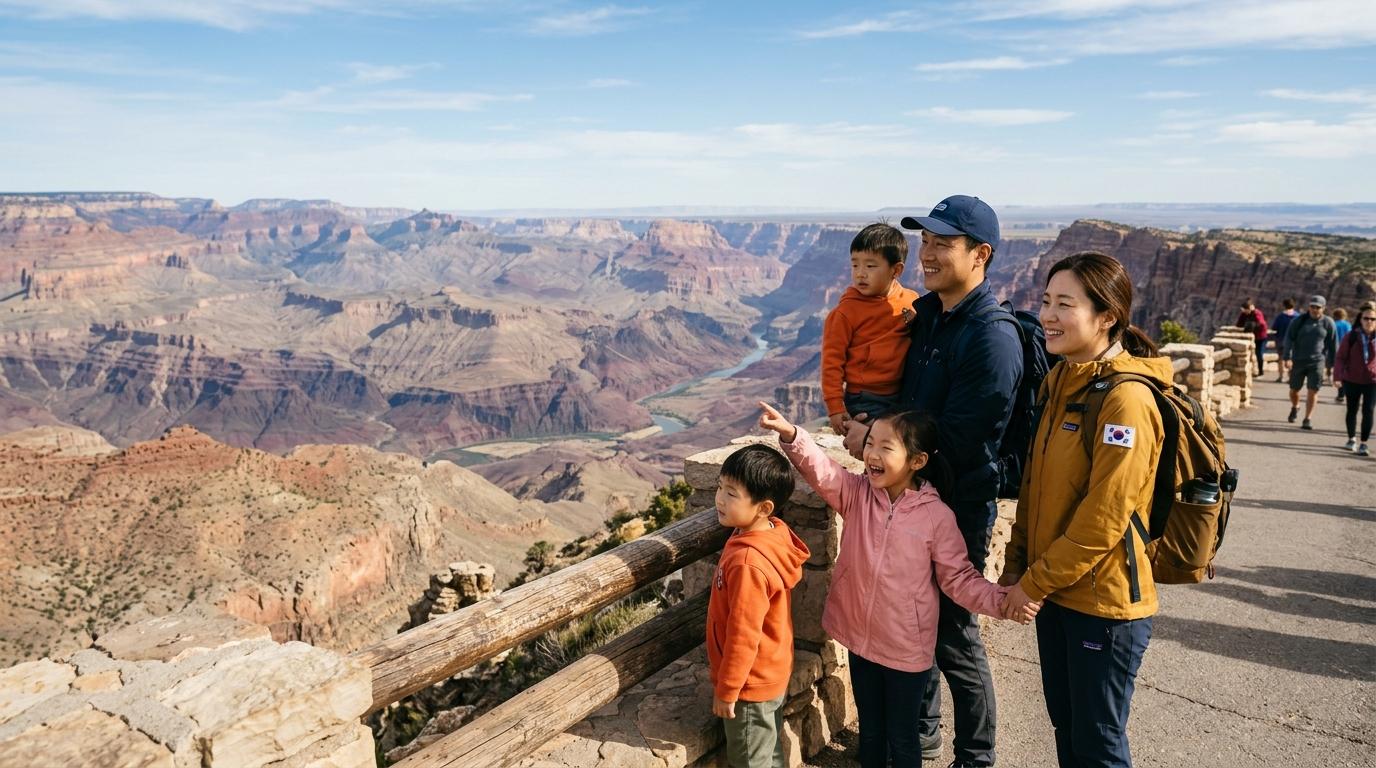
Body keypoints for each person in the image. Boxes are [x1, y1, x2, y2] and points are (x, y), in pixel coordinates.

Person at [758, 402, 1037, 768]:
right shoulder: (857, 495)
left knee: (903, 737)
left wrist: (1004, 602)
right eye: (870, 442)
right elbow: (822, 471)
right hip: (860, 639)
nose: (871, 454)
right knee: (872, 732)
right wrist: (792, 435)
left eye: (885, 447)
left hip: (906, 652)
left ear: (917, 461)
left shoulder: (936, 518)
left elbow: (959, 580)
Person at [845, 195, 1022, 768]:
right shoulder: (927, 317)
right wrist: (872, 428)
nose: (928, 253)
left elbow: (964, 441)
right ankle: (919, 739)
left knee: (951, 636)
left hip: (959, 507)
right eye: (925, 242)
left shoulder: (992, 339)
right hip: (912, 501)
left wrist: (883, 447)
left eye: (943, 243)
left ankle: (976, 757)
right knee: (912, 629)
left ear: (981, 255)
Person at [1000, 251, 1170, 768]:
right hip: (1057, 592)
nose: (1048, 314)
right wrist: (1019, 565)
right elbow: (1034, 486)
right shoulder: (1061, 379)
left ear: (1107, 316)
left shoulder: (1126, 401)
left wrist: (1034, 582)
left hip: (1105, 603)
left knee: (1098, 744)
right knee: (1067, 730)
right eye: (1047, 300)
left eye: (1065, 304)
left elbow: (1105, 519)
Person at [707, 444, 811, 768]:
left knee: (751, 759)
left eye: (732, 493)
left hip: (749, 686)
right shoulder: (770, 535)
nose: (720, 499)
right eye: (720, 487)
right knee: (768, 751)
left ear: (764, 507)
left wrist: (728, 690)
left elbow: (743, 634)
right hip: (768, 672)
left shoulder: (749, 562)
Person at [822, 223, 921, 434]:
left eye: (870, 266)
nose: (860, 274)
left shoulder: (911, 302)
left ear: (896, 270)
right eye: (855, 265)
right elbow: (832, 363)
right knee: (880, 442)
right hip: (864, 398)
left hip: (903, 392)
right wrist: (835, 408)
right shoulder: (844, 313)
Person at [1283, 295, 1338, 430]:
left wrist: (1334, 366)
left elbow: (1333, 345)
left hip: (1317, 361)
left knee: (1313, 390)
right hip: (1298, 360)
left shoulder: (1328, 323)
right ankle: (1295, 406)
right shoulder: (1299, 321)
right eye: (1312, 306)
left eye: (1318, 307)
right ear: (1309, 307)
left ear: (1323, 308)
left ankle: (1307, 418)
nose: (1314, 309)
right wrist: (1287, 357)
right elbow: (1289, 339)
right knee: (1294, 390)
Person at [1334, 305, 1376, 456]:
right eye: (1366, 318)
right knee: (1352, 410)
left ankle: (1364, 443)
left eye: (1373, 319)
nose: (1369, 321)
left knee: (1369, 410)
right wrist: (1337, 376)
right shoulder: (1351, 336)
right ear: (1360, 319)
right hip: (1352, 379)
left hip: (1372, 381)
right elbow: (1340, 357)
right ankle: (1351, 439)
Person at [1235, 299, 1268, 376]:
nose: (1244, 312)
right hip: (1252, 337)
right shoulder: (1244, 314)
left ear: (1248, 309)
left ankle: (1260, 371)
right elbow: (1239, 324)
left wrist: (1251, 326)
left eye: (1245, 310)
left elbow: (1261, 323)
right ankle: (1252, 370)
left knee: (1259, 353)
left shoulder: (1257, 313)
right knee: (1250, 353)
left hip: (1260, 337)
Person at [1271, 298, 1299, 381]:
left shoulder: (1281, 316)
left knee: (1281, 358)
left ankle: (1281, 376)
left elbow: (1274, 328)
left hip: (1281, 340)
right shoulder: (1297, 316)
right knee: (1292, 358)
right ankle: (1291, 377)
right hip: (1294, 341)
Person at [1333, 309, 1352, 403]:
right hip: (1347, 351)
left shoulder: (1333, 324)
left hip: (1335, 350)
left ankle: (1341, 393)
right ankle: (1344, 392)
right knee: (1345, 372)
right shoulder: (1348, 325)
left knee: (1338, 371)